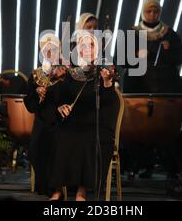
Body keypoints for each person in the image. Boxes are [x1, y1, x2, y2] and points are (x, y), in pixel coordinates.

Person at [48, 32, 117, 201]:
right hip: (73, 123)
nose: (87, 49)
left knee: (88, 139)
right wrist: (60, 107)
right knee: (58, 135)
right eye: (83, 45)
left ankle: (82, 191)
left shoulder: (103, 70)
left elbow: (109, 102)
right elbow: (59, 98)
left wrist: (107, 83)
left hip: (96, 123)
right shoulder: (70, 73)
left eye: (91, 45)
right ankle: (58, 191)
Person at [121, 0, 182, 179]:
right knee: (138, 130)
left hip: (164, 89)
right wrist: (134, 54)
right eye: (149, 11)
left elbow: (179, 58)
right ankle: (140, 165)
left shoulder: (170, 34)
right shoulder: (131, 34)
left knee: (162, 131)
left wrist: (167, 50)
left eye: (156, 11)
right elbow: (120, 59)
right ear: (143, 12)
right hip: (138, 89)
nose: (152, 14)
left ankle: (169, 167)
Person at [24, 33, 66, 196]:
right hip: (42, 121)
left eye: (53, 49)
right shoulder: (36, 75)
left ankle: (56, 188)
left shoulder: (65, 72)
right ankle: (45, 184)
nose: (49, 52)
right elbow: (30, 105)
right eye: (46, 50)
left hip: (60, 121)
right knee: (35, 148)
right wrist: (36, 92)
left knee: (55, 147)